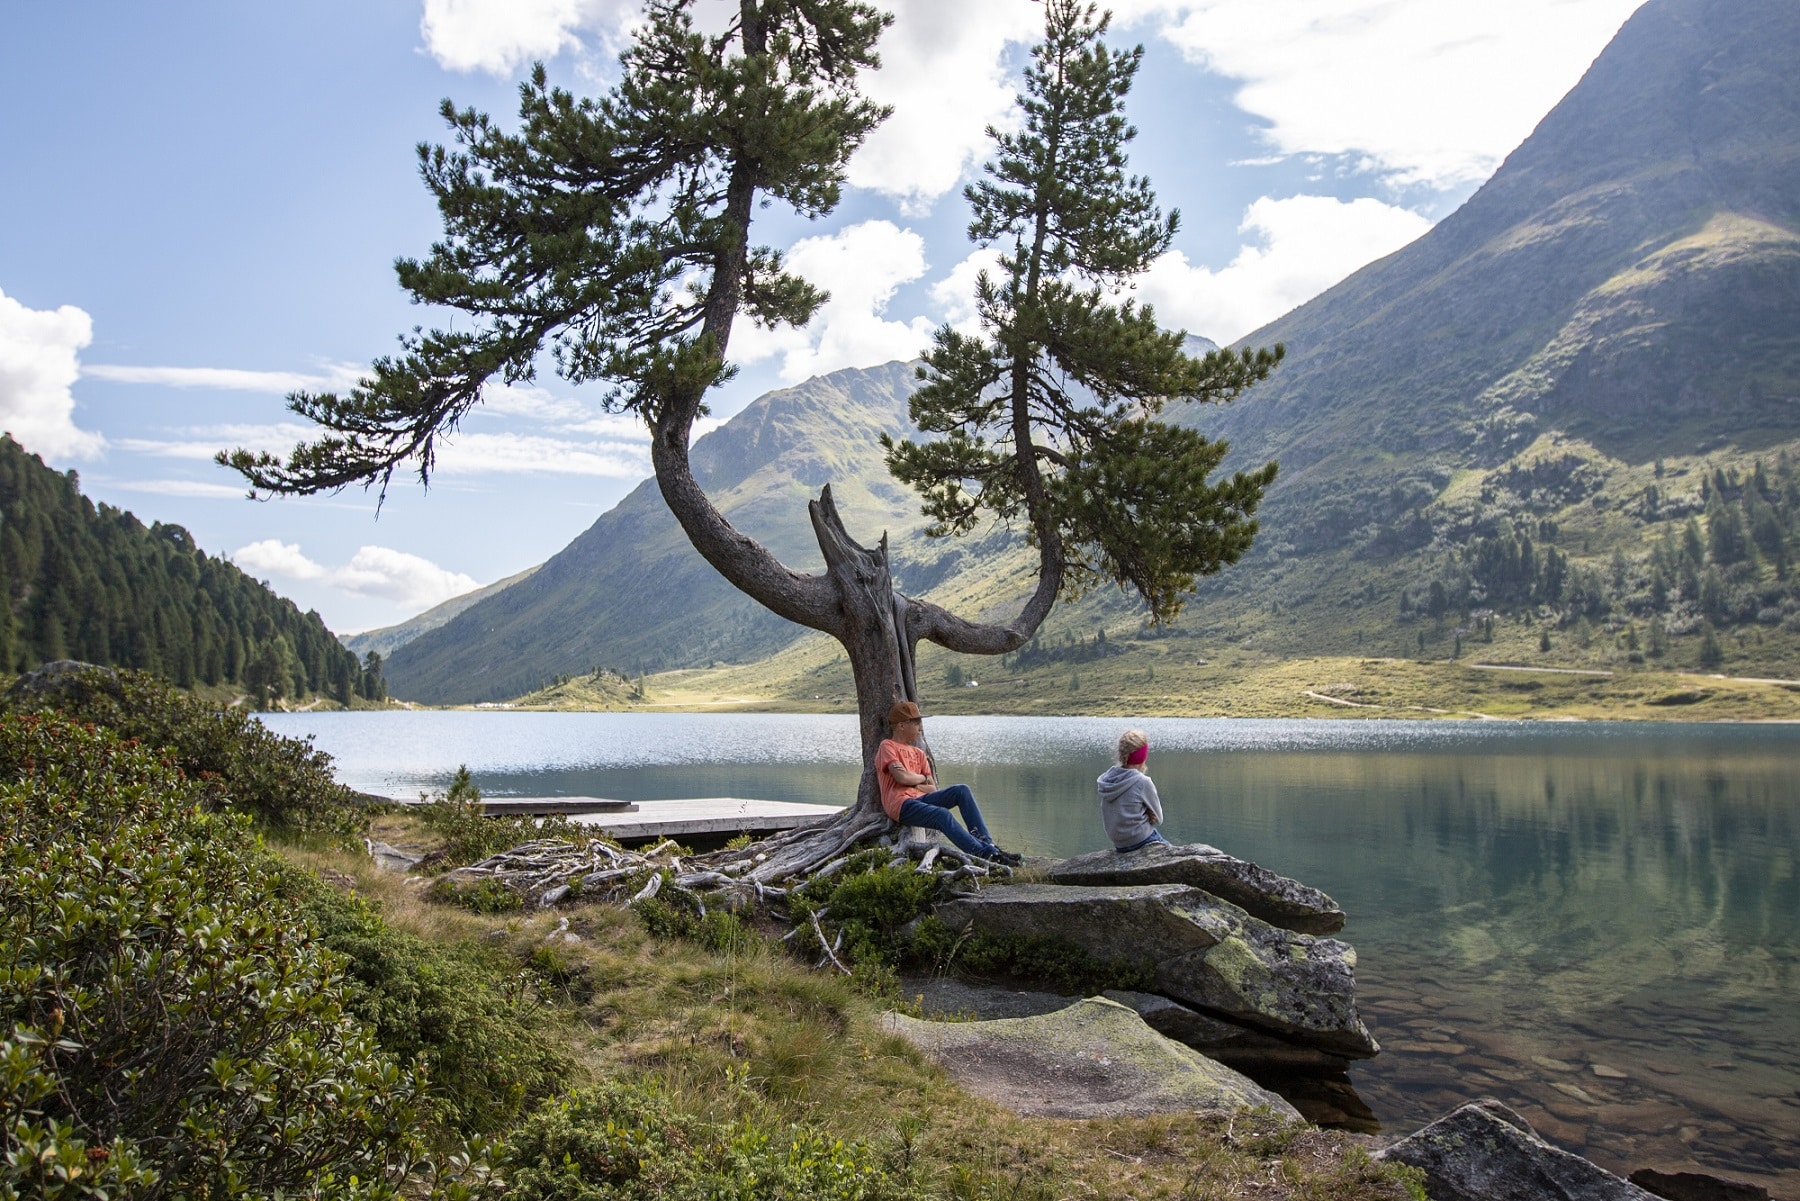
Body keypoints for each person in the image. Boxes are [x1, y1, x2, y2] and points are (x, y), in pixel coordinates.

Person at [874, 700, 1022, 865]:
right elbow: (901, 778)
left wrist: (912, 780)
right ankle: (985, 855)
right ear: (901, 726)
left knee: (962, 791)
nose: (920, 728)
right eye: (916, 723)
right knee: (942, 815)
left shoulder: (919, 753)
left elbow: (931, 788)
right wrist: (921, 778)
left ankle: (990, 847)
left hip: (921, 799)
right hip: (901, 805)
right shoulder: (887, 746)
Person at [1098, 729, 1167, 852]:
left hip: (1119, 844)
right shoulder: (1143, 782)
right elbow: (1159, 819)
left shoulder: (1107, 779)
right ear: (1143, 755)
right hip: (1141, 840)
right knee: (1173, 853)